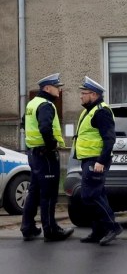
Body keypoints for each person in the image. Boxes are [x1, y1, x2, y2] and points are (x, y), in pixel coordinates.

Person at [20, 73, 74, 242]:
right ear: (47, 88)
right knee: (48, 194)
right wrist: (51, 146)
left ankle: (27, 228)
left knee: (34, 192)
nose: (59, 89)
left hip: (34, 153)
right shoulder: (46, 105)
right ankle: (51, 230)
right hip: (46, 155)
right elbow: (45, 128)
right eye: (57, 87)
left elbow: (24, 124)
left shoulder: (32, 104)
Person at [74, 76, 122, 246]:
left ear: (93, 94)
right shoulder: (89, 110)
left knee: (89, 195)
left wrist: (101, 161)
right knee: (97, 194)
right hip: (88, 159)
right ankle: (98, 231)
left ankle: (112, 227)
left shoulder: (102, 111)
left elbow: (109, 139)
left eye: (83, 93)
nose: (81, 96)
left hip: (96, 160)